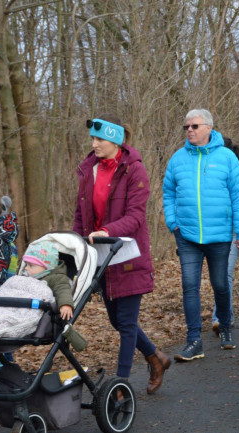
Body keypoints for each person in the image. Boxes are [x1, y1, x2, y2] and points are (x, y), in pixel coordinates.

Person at [75, 114, 170, 394]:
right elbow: (81, 214)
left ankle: (121, 384)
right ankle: (156, 357)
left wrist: (107, 230)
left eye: (99, 139)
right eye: (92, 138)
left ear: (115, 139)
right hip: (100, 255)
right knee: (117, 321)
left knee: (126, 323)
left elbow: (136, 217)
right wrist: (76, 244)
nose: (94, 144)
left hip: (127, 254)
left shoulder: (134, 170)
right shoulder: (88, 169)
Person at [163, 109, 239, 361]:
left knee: (220, 284)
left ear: (209, 128)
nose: (189, 130)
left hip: (220, 235)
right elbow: (168, 193)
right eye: (186, 127)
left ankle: (224, 327)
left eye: (194, 126)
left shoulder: (226, 158)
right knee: (189, 286)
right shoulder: (177, 159)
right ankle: (194, 341)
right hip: (187, 235)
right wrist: (173, 222)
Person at [211, 138, 239, 335]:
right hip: (213, 230)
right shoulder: (209, 171)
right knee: (217, 275)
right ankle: (222, 315)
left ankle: (221, 317)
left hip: (234, 231)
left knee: (224, 273)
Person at [20, 241, 73, 320]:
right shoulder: (27, 276)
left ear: (46, 267)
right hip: (20, 305)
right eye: (26, 264)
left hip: (39, 312)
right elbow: (13, 284)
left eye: (30, 265)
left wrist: (65, 304)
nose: (26, 268)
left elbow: (63, 290)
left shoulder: (57, 278)